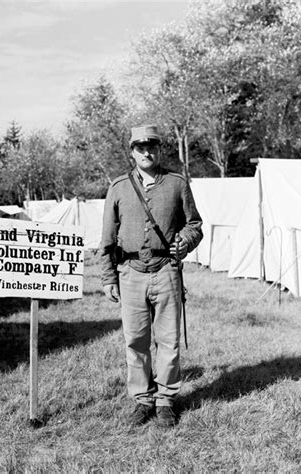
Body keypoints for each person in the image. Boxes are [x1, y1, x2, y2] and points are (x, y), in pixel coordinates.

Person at [100, 124, 203, 428]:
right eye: (140, 148)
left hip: (166, 271)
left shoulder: (176, 184)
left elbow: (195, 224)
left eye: (152, 147)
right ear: (132, 153)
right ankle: (142, 398)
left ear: (159, 150)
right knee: (135, 340)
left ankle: (166, 400)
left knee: (168, 339)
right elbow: (106, 237)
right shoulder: (118, 187)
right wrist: (107, 277)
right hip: (130, 273)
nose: (147, 152)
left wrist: (184, 241)